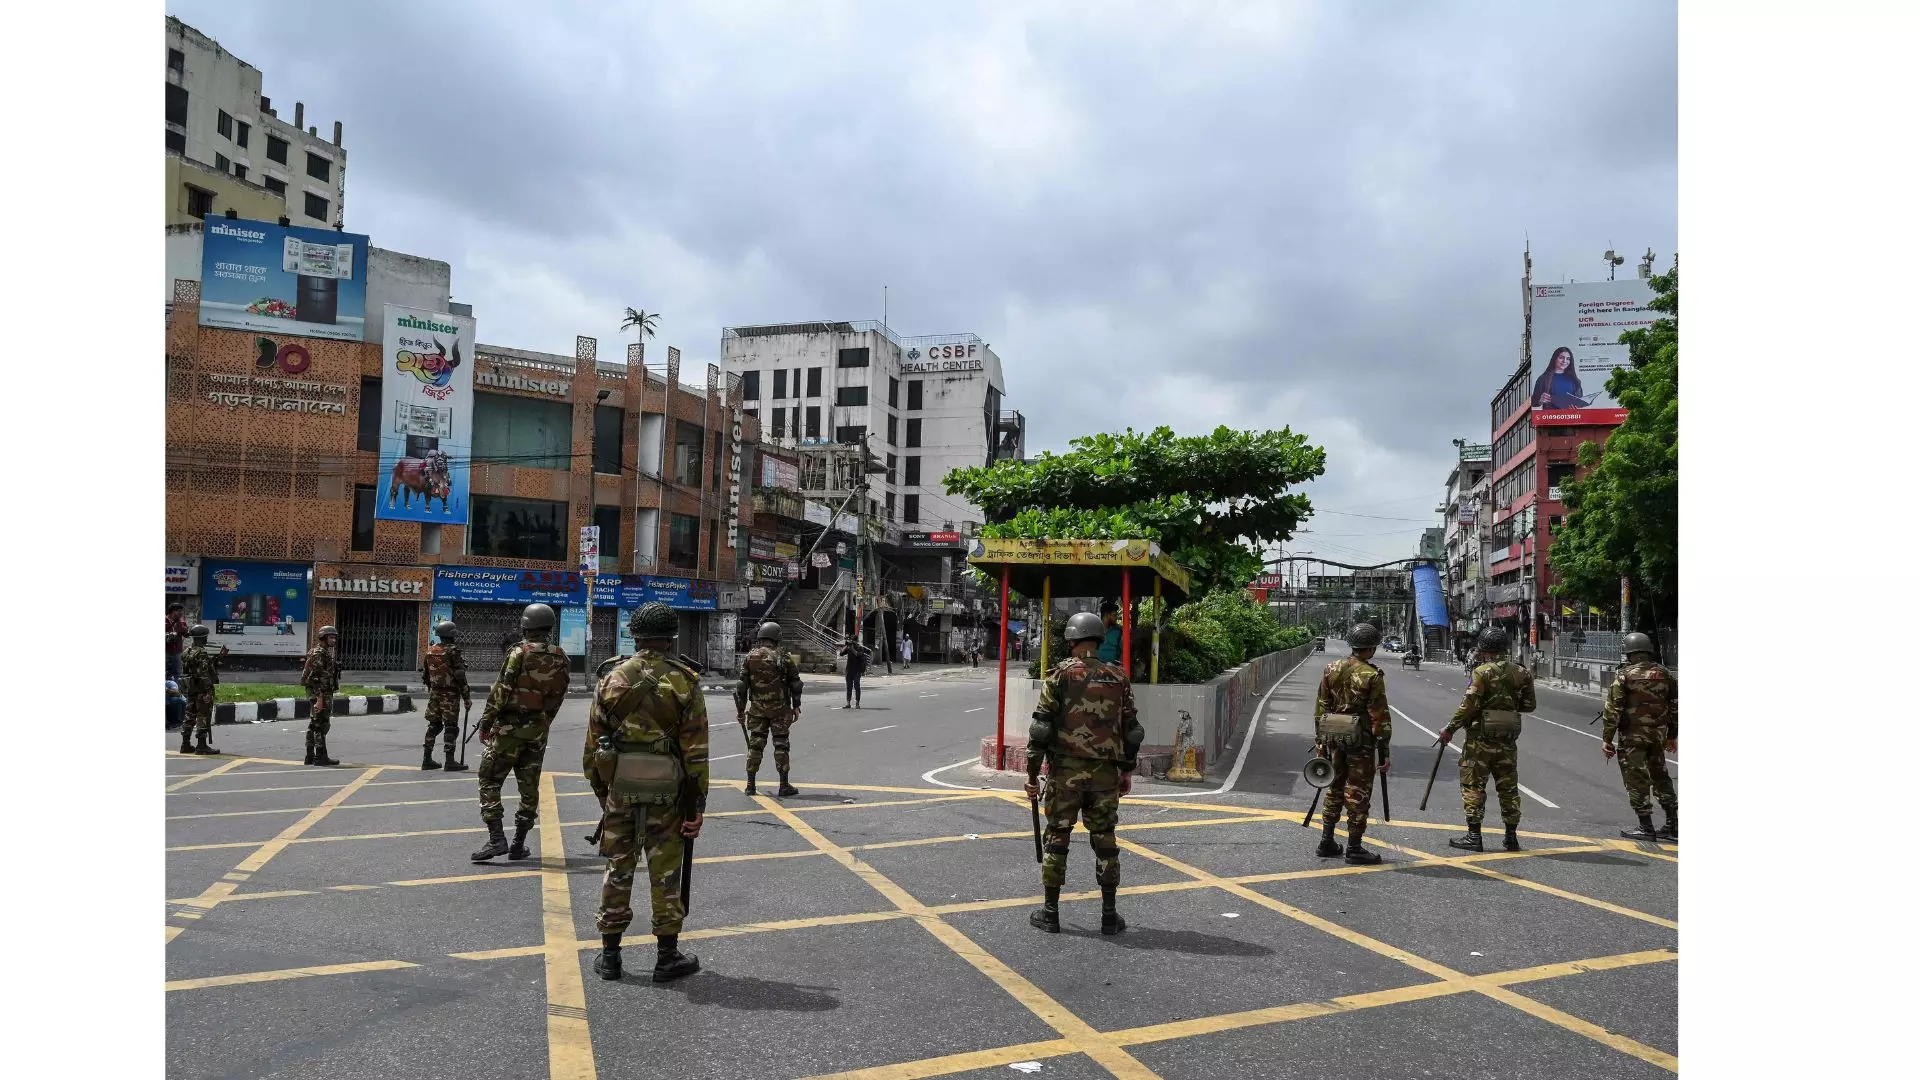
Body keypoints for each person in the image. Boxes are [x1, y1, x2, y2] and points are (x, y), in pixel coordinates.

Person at [585, 602, 707, 983]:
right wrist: (695, 808)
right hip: (668, 794)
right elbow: (696, 755)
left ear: (634, 634)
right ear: (672, 637)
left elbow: (592, 750)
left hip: (620, 789)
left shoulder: (611, 678)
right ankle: (666, 957)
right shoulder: (685, 681)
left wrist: (606, 795)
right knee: (666, 871)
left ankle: (610, 957)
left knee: (617, 869)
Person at [1025, 611, 1144, 935]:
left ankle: (1051, 913)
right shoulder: (1118, 677)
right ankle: (1109, 915)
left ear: (1072, 639)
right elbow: (1133, 732)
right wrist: (1126, 770)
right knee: (1105, 842)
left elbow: (1040, 731)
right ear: (1098, 639)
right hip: (1105, 776)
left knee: (1058, 840)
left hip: (1065, 775)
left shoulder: (1059, 676)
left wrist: (1033, 776)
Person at [470, 604, 571, 863]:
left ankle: (497, 839)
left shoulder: (518, 653)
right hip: (537, 731)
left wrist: (485, 723)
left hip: (509, 730)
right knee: (529, 788)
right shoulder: (561, 657)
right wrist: (543, 722)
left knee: (489, 779)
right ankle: (518, 844)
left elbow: (500, 691)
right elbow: (557, 697)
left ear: (526, 626)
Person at [1436, 628, 1535, 853]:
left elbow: (1468, 706)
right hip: (1507, 740)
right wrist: (1506, 707)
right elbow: (1529, 705)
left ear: (1483, 649)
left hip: (1479, 741)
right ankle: (1511, 838)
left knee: (1473, 786)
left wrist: (1449, 729)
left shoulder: (1481, 672)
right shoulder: (1522, 673)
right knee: (1508, 788)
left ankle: (1474, 836)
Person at [1312, 623, 1393, 864]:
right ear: (1371, 648)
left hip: (1332, 738)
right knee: (1357, 792)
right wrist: (1384, 751)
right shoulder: (1372, 676)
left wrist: (1320, 742)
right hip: (1361, 743)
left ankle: (1326, 840)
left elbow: (1320, 708)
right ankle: (1355, 847)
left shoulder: (1330, 669)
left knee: (1334, 788)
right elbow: (1379, 717)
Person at [1602, 632, 1678, 841]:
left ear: (1629, 653)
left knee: (1637, 780)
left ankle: (1646, 827)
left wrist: (1607, 739)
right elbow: (1675, 706)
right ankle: (1673, 826)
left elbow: (1613, 710)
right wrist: (1672, 734)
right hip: (1658, 736)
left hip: (1633, 738)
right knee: (1661, 778)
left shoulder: (1624, 676)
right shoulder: (1665, 674)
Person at [735, 621, 803, 796]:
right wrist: (796, 706)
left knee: (755, 746)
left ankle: (750, 785)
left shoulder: (750, 657)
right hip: (780, 710)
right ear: (777, 637)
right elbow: (796, 684)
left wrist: (741, 710)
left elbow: (742, 687)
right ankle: (783, 784)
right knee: (781, 745)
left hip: (757, 710)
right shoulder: (784, 658)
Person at [419, 620, 472, 772]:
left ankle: (426, 759)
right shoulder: (453, 652)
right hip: (450, 695)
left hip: (435, 694)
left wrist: (433, 688)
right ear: (452, 635)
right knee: (451, 727)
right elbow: (460, 676)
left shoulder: (430, 651)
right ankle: (450, 761)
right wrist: (466, 697)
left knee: (434, 726)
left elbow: (426, 675)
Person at [300, 626, 342, 766]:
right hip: (320, 693)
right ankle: (320, 757)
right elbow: (315, 678)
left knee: (315, 724)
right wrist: (319, 698)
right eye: (331, 637)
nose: (333, 640)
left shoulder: (324, 653)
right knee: (321, 725)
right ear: (323, 638)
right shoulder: (319, 654)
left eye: (334, 637)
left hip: (322, 693)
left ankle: (310, 756)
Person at [179, 624, 221, 755]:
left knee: (189, 715)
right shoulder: (201, 652)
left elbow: (189, 669)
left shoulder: (187, 651)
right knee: (203, 715)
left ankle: (185, 744)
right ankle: (201, 745)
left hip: (190, 687)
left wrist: (214, 661)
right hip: (202, 688)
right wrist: (207, 689)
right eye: (206, 637)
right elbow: (203, 673)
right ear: (202, 638)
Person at [839, 638, 870, 709]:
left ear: (856, 641)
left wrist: (852, 648)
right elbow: (841, 653)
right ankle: (848, 703)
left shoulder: (860, 648)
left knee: (857, 687)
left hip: (857, 671)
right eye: (852, 641)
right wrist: (846, 646)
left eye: (853, 641)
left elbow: (858, 655)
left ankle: (857, 703)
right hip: (849, 670)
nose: (852, 642)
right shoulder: (849, 648)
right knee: (849, 687)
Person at [166, 603, 189, 680]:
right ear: (172, 611)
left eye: (181, 611)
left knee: (177, 673)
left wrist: (180, 625)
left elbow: (186, 634)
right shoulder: (165, 620)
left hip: (177, 652)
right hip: (166, 651)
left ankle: (176, 690)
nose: (181, 613)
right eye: (179, 611)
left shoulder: (181, 622)